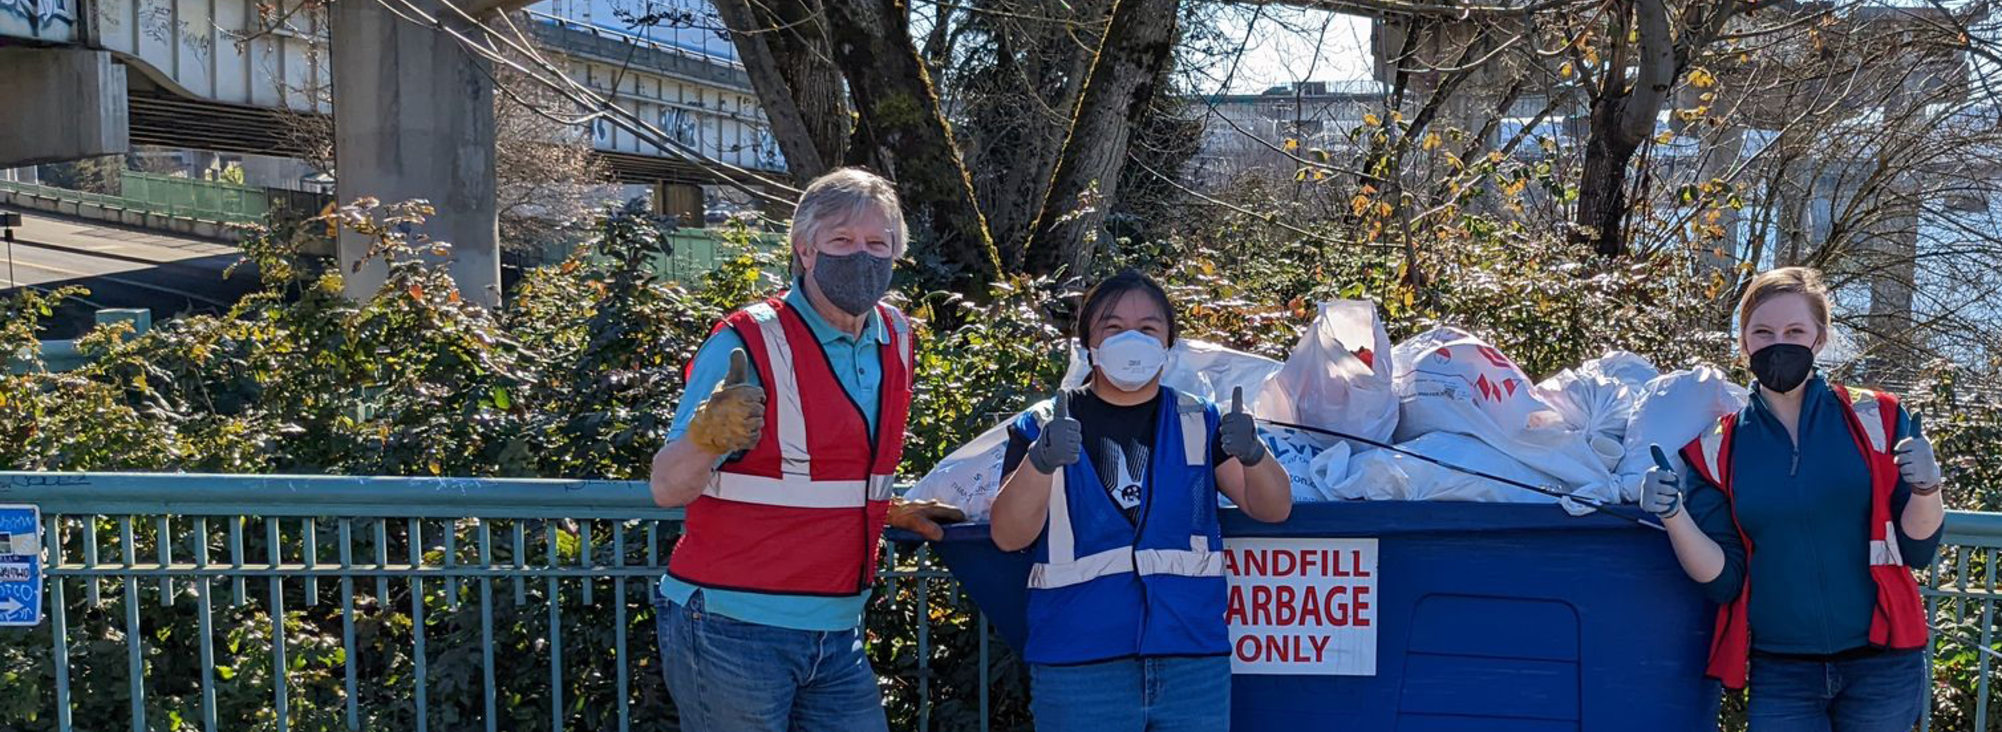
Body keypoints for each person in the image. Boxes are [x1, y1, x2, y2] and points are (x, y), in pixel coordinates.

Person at [646, 167, 962, 732]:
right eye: (841, 241)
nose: (861, 257)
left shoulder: (896, 337)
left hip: (837, 630)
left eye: (877, 244)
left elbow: (827, 474)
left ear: (896, 254)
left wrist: (886, 510)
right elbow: (667, 488)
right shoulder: (746, 340)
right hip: (733, 626)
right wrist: (704, 437)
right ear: (804, 250)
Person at [1641, 267, 1946, 732]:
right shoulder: (1716, 448)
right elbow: (1723, 580)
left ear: (1819, 339)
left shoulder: (1878, 417)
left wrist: (1929, 489)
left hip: (1883, 664)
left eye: (1795, 331)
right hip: (1784, 672)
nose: (1777, 343)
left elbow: (1917, 550)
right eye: (1762, 332)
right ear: (1743, 343)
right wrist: (1674, 514)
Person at [989, 270, 1294, 732]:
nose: (1132, 339)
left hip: (1190, 663)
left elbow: (1272, 507)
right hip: (1080, 666)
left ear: (1169, 343)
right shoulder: (1043, 426)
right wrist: (1041, 461)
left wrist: (1254, 453)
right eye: (1113, 328)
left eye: (1149, 328)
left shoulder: (1198, 420)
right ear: (1088, 344)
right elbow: (1009, 535)